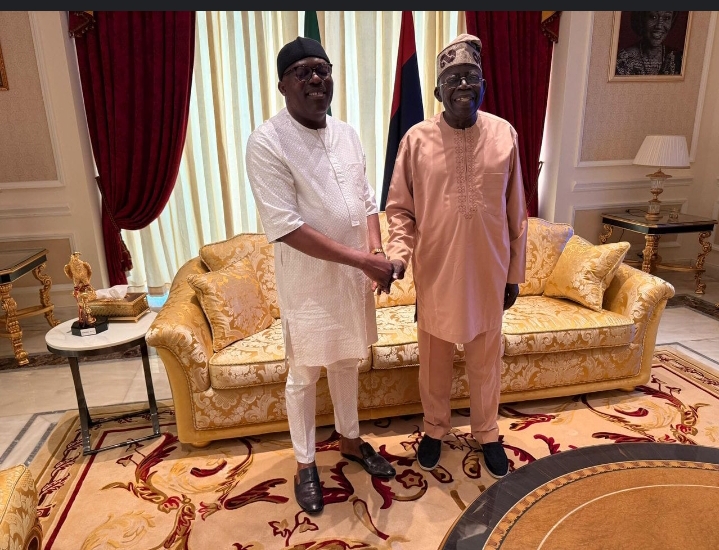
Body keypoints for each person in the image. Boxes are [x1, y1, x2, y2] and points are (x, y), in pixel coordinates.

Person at [245, 36, 396, 516]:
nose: (316, 78)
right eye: (303, 71)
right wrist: (363, 260)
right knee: (305, 372)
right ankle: (305, 462)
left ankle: (350, 440)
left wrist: (376, 250)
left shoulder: (347, 133)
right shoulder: (267, 141)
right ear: (282, 85)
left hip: (352, 280)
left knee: (347, 361)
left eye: (323, 70)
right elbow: (286, 227)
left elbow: (367, 201)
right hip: (308, 284)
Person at [384, 34, 528, 479]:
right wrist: (399, 256)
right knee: (435, 360)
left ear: (483, 85)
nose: (463, 85)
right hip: (437, 271)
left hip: (488, 272)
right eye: (452, 79)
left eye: (470, 77)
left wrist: (514, 274)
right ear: (437, 91)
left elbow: (516, 210)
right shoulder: (416, 140)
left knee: (486, 362)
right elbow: (400, 209)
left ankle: (487, 432)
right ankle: (434, 428)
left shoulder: (504, 134)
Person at [615, 11, 683, 76]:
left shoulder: (679, 58)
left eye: (667, 18)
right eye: (653, 17)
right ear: (642, 18)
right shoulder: (624, 59)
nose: (659, 26)